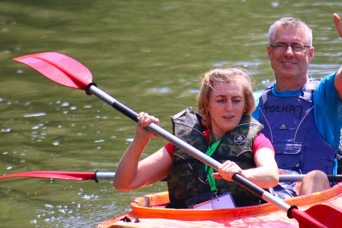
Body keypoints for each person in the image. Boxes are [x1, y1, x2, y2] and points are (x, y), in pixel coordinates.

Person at [253, 0, 342, 197]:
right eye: (281, 45)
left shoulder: (324, 94)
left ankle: (305, 219)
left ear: (310, 53)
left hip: (314, 195)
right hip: (263, 195)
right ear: (269, 52)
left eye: (297, 46)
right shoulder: (249, 102)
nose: (288, 53)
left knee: (315, 176)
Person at [113, 68, 279, 209]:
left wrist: (242, 173)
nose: (229, 108)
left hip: (240, 220)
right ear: (207, 104)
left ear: (245, 105)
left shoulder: (257, 139)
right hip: (191, 222)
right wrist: (140, 140)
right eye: (221, 100)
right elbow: (125, 183)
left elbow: (272, 175)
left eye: (236, 100)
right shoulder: (185, 145)